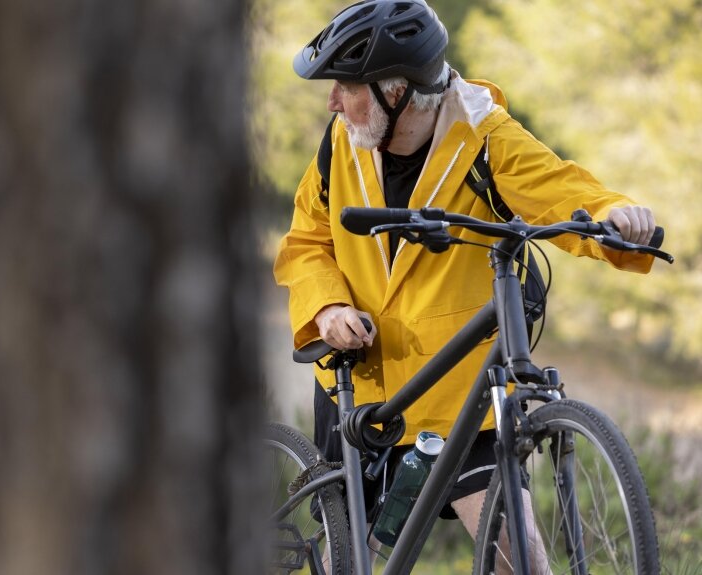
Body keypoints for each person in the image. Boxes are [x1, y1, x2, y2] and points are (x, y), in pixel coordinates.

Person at [273, 0, 656, 570]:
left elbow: (555, 185)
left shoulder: (483, 135)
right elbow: (307, 241)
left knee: (519, 558)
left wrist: (616, 215)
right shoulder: (340, 143)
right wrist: (327, 307)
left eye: (345, 86)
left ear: (394, 90)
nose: (332, 100)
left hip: (460, 395)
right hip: (365, 377)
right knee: (345, 560)